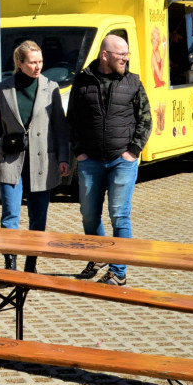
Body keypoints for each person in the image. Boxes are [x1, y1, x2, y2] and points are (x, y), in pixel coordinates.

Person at [0, 40, 70, 272]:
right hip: (11, 160)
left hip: (42, 162)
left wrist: (63, 158)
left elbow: (60, 126)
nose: (38, 66)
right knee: (9, 215)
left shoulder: (51, 87)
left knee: (38, 218)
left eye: (40, 62)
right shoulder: (4, 88)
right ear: (20, 63)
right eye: (32, 62)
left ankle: (32, 262)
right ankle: (10, 263)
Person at [66, 33, 152, 286]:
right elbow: (73, 120)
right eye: (121, 54)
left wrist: (133, 151)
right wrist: (79, 151)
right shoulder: (82, 82)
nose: (126, 58)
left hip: (121, 161)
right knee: (89, 215)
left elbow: (146, 120)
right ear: (105, 55)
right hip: (90, 161)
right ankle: (100, 256)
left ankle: (118, 272)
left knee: (119, 215)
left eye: (127, 54)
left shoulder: (133, 82)